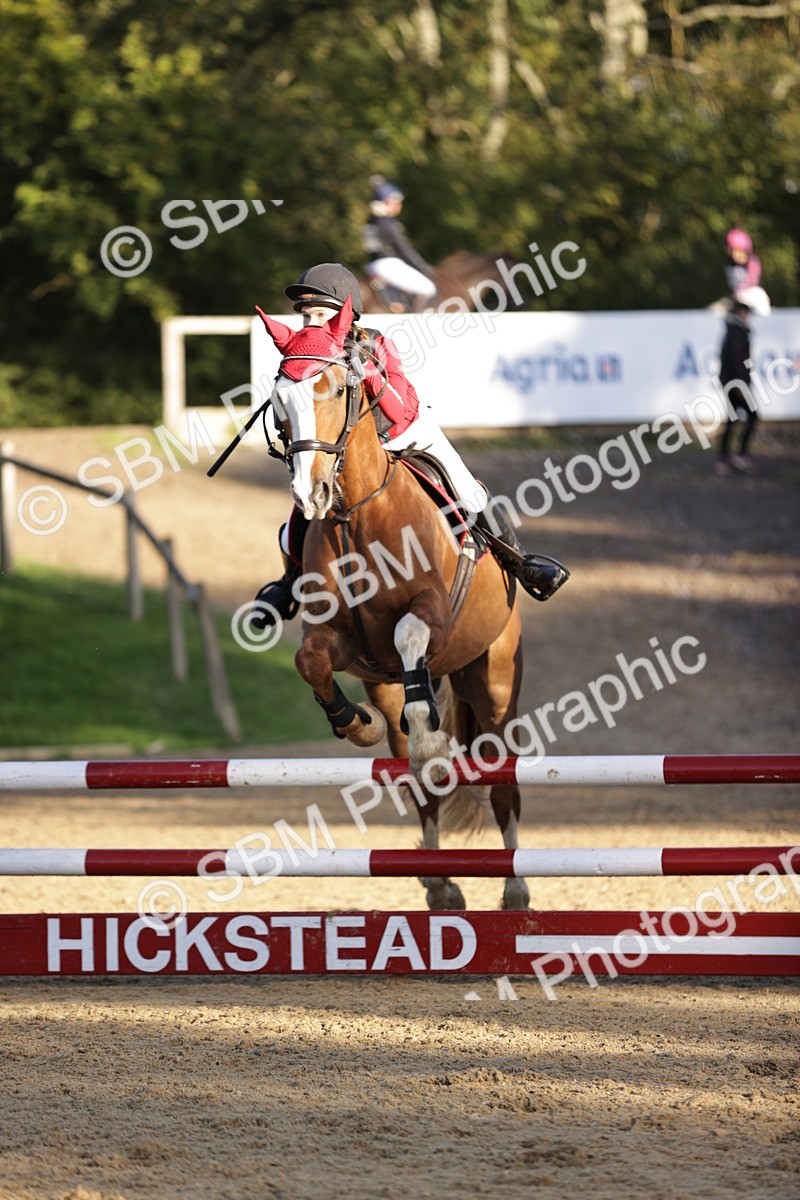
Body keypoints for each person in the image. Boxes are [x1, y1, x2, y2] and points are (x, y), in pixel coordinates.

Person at [252, 262, 569, 627]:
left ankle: (519, 561)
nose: (310, 323)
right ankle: (288, 584)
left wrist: (367, 373)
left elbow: (398, 410)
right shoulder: (308, 357)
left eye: (319, 313)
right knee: (299, 514)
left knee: (467, 490)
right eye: (305, 315)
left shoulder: (375, 344)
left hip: (407, 432)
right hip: (350, 451)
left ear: (345, 313)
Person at [714, 287, 769, 475]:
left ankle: (723, 457)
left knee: (731, 420)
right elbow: (738, 360)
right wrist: (740, 384)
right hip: (737, 384)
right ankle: (740, 455)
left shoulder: (733, 330)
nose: (748, 315)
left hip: (732, 383)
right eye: (746, 311)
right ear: (740, 311)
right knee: (752, 417)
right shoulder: (738, 332)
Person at [362, 177, 438, 313]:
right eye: (397, 202)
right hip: (387, 263)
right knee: (428, 289)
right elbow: (403, 248)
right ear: (387, 201)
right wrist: (421, 266)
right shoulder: (385, 222)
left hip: (371, 265)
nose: (399, 206)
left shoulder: (372, 220)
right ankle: (414, 323)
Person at [725, 227, 762, 299]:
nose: (734, 254)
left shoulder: (753, 263)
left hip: (753, 297)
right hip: (738, 298)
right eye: (731, 250)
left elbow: (752, 281)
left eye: (737, 250)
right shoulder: (731, 265)